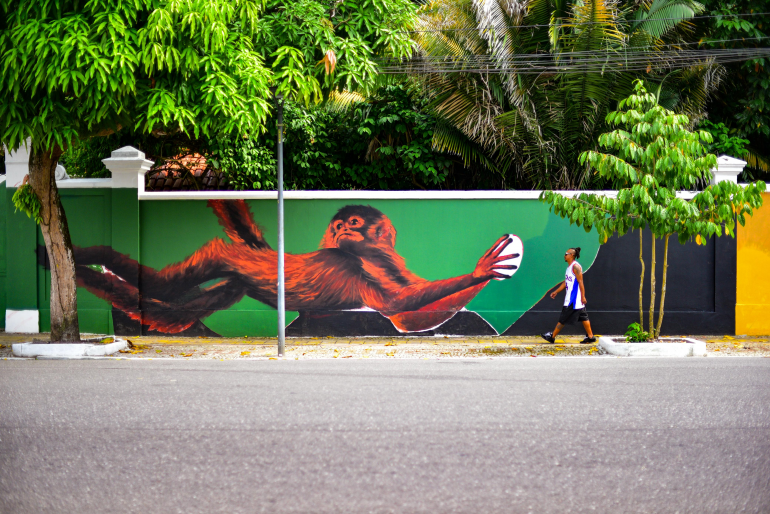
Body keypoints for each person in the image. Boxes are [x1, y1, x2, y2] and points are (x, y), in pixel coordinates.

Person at [541, 247, 596, 344]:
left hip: (573, 299)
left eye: (566, 253)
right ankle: (591, 337)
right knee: (583, 316)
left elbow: (581, 282)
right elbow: (566, 282)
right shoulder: (569, 268)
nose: (564, 255)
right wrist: (556, 291)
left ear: (572, 255)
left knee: (563, 319)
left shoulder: (576, 267)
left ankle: (552, 336)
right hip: (574, 299)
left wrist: (583, 296)